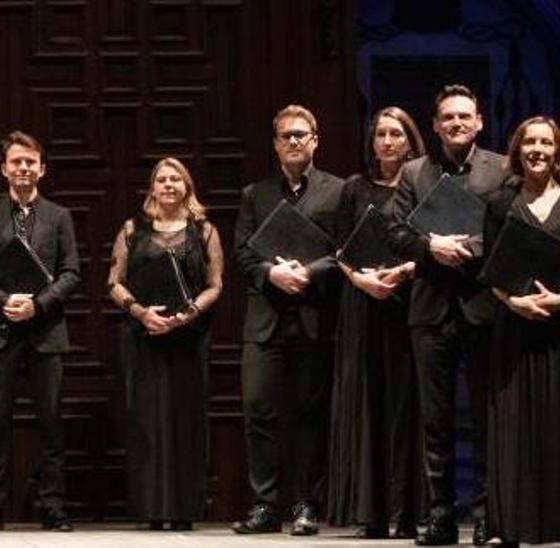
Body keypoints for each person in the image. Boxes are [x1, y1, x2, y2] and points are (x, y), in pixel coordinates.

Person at [383, 84, 510, 546]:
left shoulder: (500, 169)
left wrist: (470, 249)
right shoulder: (415, 171)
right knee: (434, 420)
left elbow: (511, 229)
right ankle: (439, 517)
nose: (456, 124)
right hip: (430, 308)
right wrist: (430, 246)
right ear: (434, 126)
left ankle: (486, 515)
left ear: (479, 122)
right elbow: (395, 233)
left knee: (483, 416)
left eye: (464, 117)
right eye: (447, 118)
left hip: (481, 306)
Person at [483, 116, 560, 546]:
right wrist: (515, 302)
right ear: (517, 151)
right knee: (517, 426)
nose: (537, 149)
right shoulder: (499, 202)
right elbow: (489, 270)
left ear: (558, 151)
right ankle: (512, 525)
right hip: (516, 327)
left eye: (546, 142)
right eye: (529, 142)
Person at [0, 130, 80, 533]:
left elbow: (71, 272)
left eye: (30, 162)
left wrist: (37, 304)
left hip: (45, 332)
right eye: (16, 162)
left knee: (51, 424)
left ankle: (54, 507)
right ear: (4, 169)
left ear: (42, 169)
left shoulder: (59, 215)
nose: (23, 168)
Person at [232, 105, 345, 536]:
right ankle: (264, 505)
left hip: (315, 317)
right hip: (266, 321)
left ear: (315, 139)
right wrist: (270, 273)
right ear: (275, 143)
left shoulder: (338, 191)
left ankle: (306, 505)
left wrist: (309, 273)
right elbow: (243, 252)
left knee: (310, 415)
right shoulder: (255, 194)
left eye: (301, 134)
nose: (294, 141)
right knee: (258, 410)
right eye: (286, 136)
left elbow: (344, 250)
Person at [106, 157, 223, 531]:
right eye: (162, 179)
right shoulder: (131, 229)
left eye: (176, 179)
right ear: (152, 188)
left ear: (187, 186)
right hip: (144, 338)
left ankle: (184, 509)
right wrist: (140, 312)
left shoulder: (204, 231)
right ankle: (152, 510)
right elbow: (113, 282)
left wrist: (188, 314)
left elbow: (215, 284)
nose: (169, 184)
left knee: (185, 422)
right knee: (147, 422)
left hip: (188, 339)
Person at [326, 107, 425, 539]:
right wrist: (361, 279)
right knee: (367, 402)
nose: (387, 141)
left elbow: (432, 243)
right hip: (362, 302)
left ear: (410, 141)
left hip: (407, 302)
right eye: (380, 134)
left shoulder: (422, 185)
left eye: (396, 134)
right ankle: (371, 512)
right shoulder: (354, 187)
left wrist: (403, 272)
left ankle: (406, 511)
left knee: (406, 405)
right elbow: (339, 248)